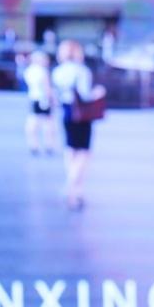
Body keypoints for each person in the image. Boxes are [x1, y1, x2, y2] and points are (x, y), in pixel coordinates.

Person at [52, 40, 106, 209]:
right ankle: (71, 188)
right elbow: (85, 95)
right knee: (83, 151)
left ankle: (78, 190)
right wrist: (98, 93)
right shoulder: (82, 71)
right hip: (81, 115)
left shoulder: (58, 71)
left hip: (66, 112)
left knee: (70, 150)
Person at [23, 50, 57, 155]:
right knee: (48, 123)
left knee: (33, 121)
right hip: (44, 99)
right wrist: (53, 99)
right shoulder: (43, 71)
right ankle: (49, 145)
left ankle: (33, 145)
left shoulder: (28, 71)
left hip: (33, 98)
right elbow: (47, 88)